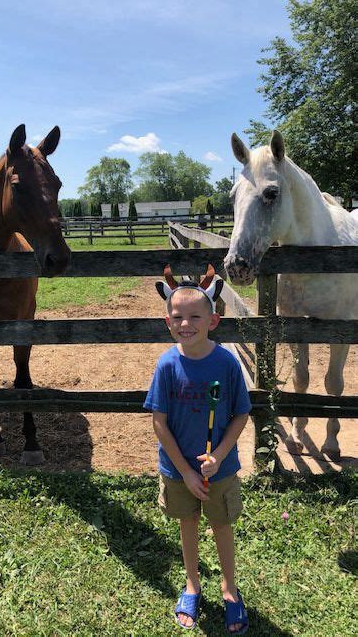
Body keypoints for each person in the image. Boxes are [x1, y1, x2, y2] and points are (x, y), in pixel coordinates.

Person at [144, 264, 251, 634]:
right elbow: (159, 422)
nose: (185, 323)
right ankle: (192, 584)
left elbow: (240, 415)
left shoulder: (226, 363)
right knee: (187, 524)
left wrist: (218, 455)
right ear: (167, 322)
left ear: (213, 321)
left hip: (219, 470)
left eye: (194, 316)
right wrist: (186, 471)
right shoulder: (166, 365)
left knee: (221, 525)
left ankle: (229, 589)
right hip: (177, 471)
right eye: (177, 317)